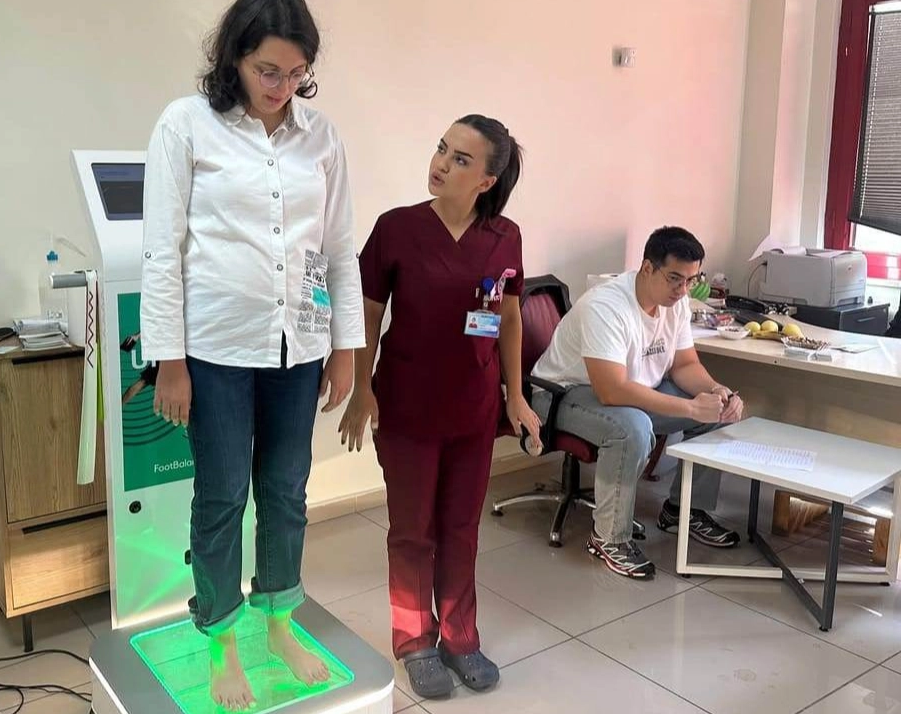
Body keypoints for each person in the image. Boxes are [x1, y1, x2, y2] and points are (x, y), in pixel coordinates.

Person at [139, 0, 365, 709]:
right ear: (234, 56)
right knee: (223, 493)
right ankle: (221, 640)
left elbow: (334, 251)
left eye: (296, 74)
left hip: (298, 347)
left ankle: (280, 623)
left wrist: (344, 348)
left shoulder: (321, 136)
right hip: (214, 349)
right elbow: (162, 251)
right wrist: (169, 360)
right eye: (268, 70)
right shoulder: (186, 124)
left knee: (287, 490)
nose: (281, 87)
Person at [339, 116, 540, 699]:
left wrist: (516, 395)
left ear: (486, 180)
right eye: (442, 149)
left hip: (473, 409)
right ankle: (414, 640)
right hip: (407, 406)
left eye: (460, 159)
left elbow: (507, 317)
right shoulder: (397, 228)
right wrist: (362, 388)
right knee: (412, 531)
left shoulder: (504, 236)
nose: (441, 164)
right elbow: (368, 313)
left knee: (461, 528)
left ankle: (460, 636)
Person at [530, 227, 744, 580]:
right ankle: (608, 538)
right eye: (675, 279)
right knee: (632, 428)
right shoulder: (606, 306)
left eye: (691, 280)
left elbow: (684, 365)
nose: (683, 290)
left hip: (632, 392)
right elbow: (611, 391)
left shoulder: (675, 303)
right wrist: (690, 408)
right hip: (562, 395)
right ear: (647, 268)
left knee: (715, 410)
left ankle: (684, 510)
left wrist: (718, 390)